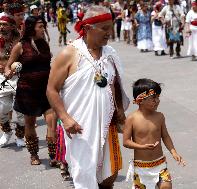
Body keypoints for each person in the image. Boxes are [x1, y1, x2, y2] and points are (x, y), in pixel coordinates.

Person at [46, 5, 129, 189]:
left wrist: (120, 112)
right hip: (80, 128)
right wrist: (65, 118)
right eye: (104, 28)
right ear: (88, 28)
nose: (110, 33)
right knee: (84, 177)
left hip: (108, 125)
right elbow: (51, 89)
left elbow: (114, 84)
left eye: (111, 27)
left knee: (110, 176)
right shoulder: (69, 53)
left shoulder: (110, 54)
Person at [4, 16, 57, 165]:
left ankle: (53, 156)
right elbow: (9, 66)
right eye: (40, 26)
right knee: (29, 123)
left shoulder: (44, 44)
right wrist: (9, 71)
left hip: (46, 90)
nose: (43, 29)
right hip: (27, 91)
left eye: (43, 26)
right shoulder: (20, 46)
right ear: (31, 28)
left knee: (52, 122)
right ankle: (34, 154)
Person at [124, 78, 186, 189]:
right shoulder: (132, 119)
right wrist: (141, 147)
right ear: (140, 100)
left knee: (166, 187)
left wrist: (174, 152)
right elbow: (126, 142)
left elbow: (165, 136)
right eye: (153, 98)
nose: (157, 101)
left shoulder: (160, 116)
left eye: (158, 97)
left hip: (160, 164)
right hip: (141, 167)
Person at [0, 12, 25, 147]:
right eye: (0, 25)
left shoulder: (20, 40)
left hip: (19, 78)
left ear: (11, 26)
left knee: (20, 111)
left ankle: (20, 136)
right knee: (1, 108)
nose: (1, 27)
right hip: (2, 78)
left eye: (4, 25)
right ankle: (7, 132)